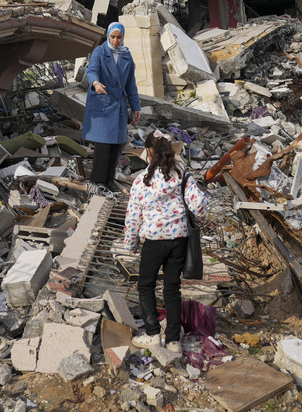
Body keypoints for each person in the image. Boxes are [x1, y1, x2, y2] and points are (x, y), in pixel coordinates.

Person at [124, 129, 210, 354]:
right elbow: (199, 203)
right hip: (179, 240)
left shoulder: (142, 180)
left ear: (149, 152)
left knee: (146, 285)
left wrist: (131, 243)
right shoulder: (182, 174)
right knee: (172, 289)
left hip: (153, 241)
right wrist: (199, 221)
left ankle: (152, 334)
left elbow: (133, 216)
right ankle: (173, 340)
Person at [83, 22, 141, 197]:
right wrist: (96, 83)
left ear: (123, 37)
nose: (115, 41)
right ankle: (97, 181)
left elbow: (131, 83)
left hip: (119, 105)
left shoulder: (127, 56)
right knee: (103, 146)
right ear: (108, 36)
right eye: (113, 37)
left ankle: (108, 181)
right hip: (103, 102)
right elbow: (91, 71)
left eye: (119, 37)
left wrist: (136, 106)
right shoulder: (100, 52)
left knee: (117, 145)